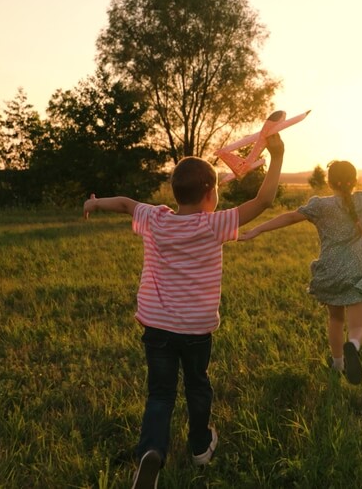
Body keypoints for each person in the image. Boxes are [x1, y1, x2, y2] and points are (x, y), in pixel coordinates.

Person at [83, 122, 285, 489]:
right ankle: (199, 447)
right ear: (210, 193)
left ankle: (152, 452)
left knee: (160, 393)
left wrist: (95, 202)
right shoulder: (214, 225)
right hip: (196, 330)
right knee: (197, 385)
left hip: (156, 327)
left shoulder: (156, 218)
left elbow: (126, 203)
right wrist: (278, 156)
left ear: (175, 192)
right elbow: (264, 202)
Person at [238, 160, 362, 384]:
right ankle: (353, 346)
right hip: (356, 269)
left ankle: (338, 365)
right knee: (357, 326)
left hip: (330, 270)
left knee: (336, 320)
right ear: (355, 181)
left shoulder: (320, 205)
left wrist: (257, 229)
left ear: (329, 182)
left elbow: (289, 217)